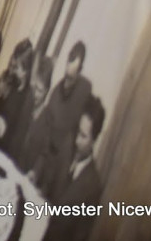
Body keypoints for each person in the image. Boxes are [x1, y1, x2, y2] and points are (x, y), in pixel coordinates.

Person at [44, 95, 106, 240]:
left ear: (94, 140)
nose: (77, 140)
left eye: (83, 136)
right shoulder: (67, 150)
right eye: (78, 131)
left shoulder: (93, 187)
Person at [39, 41, 93, 201]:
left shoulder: (84, 90)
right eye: (66, 75)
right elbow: (45, 131)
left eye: (72, 77)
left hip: (63, 166)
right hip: (46, 161)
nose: (67, 81)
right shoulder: (56, 92)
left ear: (80, 70)